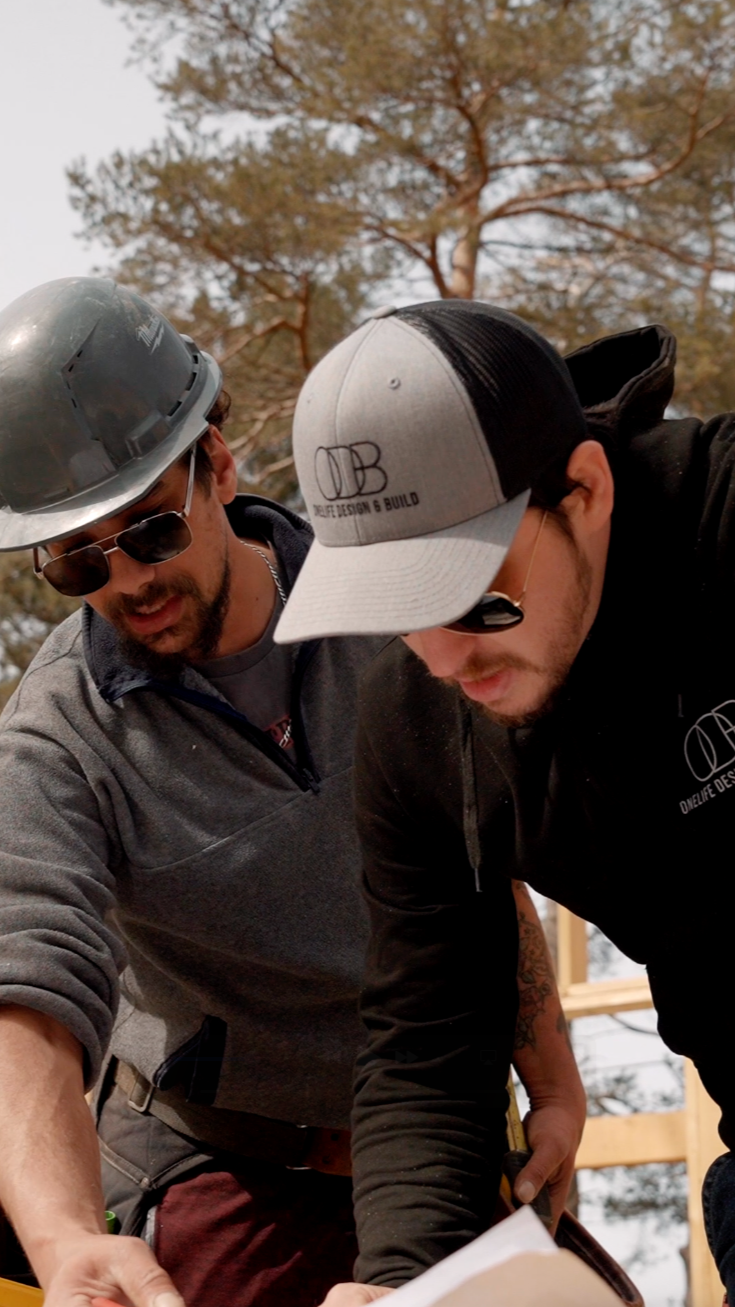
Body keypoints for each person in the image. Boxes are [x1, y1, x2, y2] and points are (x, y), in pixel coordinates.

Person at [0, 279, 582, 1307]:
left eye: (148, 532)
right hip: (220, 1165)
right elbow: (27, 985)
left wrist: (555, 1079)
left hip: (431, 1140)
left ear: (218, 466)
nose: (126, 580)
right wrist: (58, 1239)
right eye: (76, 561)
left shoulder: (398, 608)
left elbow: (476, 864)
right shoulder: (56, 735)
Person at [276, 298, 735, 1302]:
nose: (444, 658)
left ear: (587, 489)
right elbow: (433, 1032)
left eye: (470, 591)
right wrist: (401, 1283)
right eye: (398, 610)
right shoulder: (416, 722)